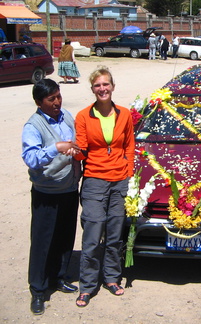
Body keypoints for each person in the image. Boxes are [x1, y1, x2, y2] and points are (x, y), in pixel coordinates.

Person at [74, 66, 135, 307]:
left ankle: (111, 278)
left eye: (106, 84)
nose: (102, 89)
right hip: (94, 180)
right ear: (92, 89)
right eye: (98, 85)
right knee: (92, 234)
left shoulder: (125, 114)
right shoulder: (83, 116)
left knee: (114, 234)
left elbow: (129, 145)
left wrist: (128, 172)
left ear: (112, 86)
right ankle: (87, 285)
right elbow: (81, 149)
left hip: (119, 180)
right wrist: (75, 152)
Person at [22, 79, 81, 315]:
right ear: (39, 102)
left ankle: (59, 277)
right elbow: (31, 158)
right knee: (42, 240)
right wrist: (55, 148)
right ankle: (38, 289)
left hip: (68, 189)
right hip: (47, 192)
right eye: (51, 99)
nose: (57, 102)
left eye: (58, 96)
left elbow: (76, 142)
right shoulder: (33, 125)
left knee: (65, 236)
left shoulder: (66, 115)